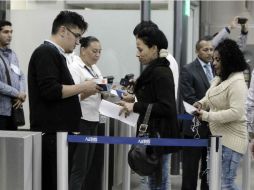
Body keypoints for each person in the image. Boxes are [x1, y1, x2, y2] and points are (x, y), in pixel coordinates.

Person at [28, 11, 100, 190]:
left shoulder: (55, 54)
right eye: (76, 36)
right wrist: (84, 87)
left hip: (58, 134)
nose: (77, 42)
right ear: (62, 31)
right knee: (53, 181)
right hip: (51, 134)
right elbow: (51, 90)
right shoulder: (46, 52)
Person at [118, 27, 179, 190]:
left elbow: (166, 107)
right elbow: (155, 98)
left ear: (154, 48)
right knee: (156, 180)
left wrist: (135, 106)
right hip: (156, 133)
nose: (137, 54)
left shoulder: (160, 72)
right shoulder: (154, 70)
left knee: (159, 181)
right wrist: (134, 98)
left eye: (140, 49)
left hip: (159, 134)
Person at [195, 39, 248, 190]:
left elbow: (236, 112)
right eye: (213, 59)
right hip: (218, 140)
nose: (214, 63)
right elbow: (210, 97)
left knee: (226, 184)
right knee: (214, 183)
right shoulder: (220, 79)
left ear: (228, 60)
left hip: (230, 143)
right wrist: (201, 103)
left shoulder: (237, 82)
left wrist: (207, 116)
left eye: (218, 60)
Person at [69, 36, 104, 190]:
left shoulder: (95, 68)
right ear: (83, 50)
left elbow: (101, 88)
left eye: (99, 52)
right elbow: (72, 97)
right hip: (81, 120)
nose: (97, 55)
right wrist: (89, 91)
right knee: (79, 167)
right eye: (94, 51)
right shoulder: (74, 67)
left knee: (88, 166)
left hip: (94, 119)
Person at [180, 36, 213, 190]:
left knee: (209, 170)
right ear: (197, 51)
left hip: (213, 127)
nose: (209, 53)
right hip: (194, 127)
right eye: (205, 49)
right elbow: (189, 98)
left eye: (211, 49)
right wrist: (207, 112)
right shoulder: (188, 69)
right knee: (190, 171)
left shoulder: (215, 68)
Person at [0, 20, 26, 130]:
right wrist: (17, 93)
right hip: (1, 111)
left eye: (11, 32)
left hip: (14, 109)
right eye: (6, 32)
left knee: (12, 144)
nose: (10, 35)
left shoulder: (12, 54)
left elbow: (21, 75)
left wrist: (22, 93)